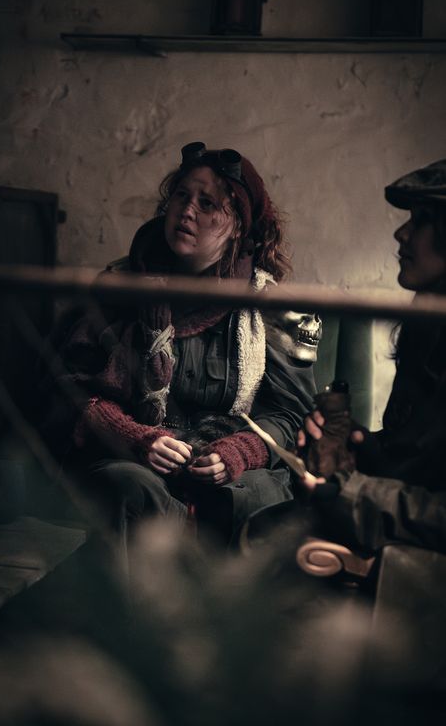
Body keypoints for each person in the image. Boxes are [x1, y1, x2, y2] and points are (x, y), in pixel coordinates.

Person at [42, 142, 318, 551]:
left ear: (237, 226)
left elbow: (290, 415)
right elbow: (72, 391)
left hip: (233, 469)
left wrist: (239, 452)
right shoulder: (120, 288)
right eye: (181, 195)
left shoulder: (269, 306)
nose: (187, 211)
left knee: (255, 502)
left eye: (207, 204)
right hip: (139, 463)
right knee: (123, 487)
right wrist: (136, 438)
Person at [297, 158, 446, 555]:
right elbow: (419, 464)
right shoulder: (428, 332)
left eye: (421, 220)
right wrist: (356, 444)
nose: (401, 233)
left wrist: (350, 494)